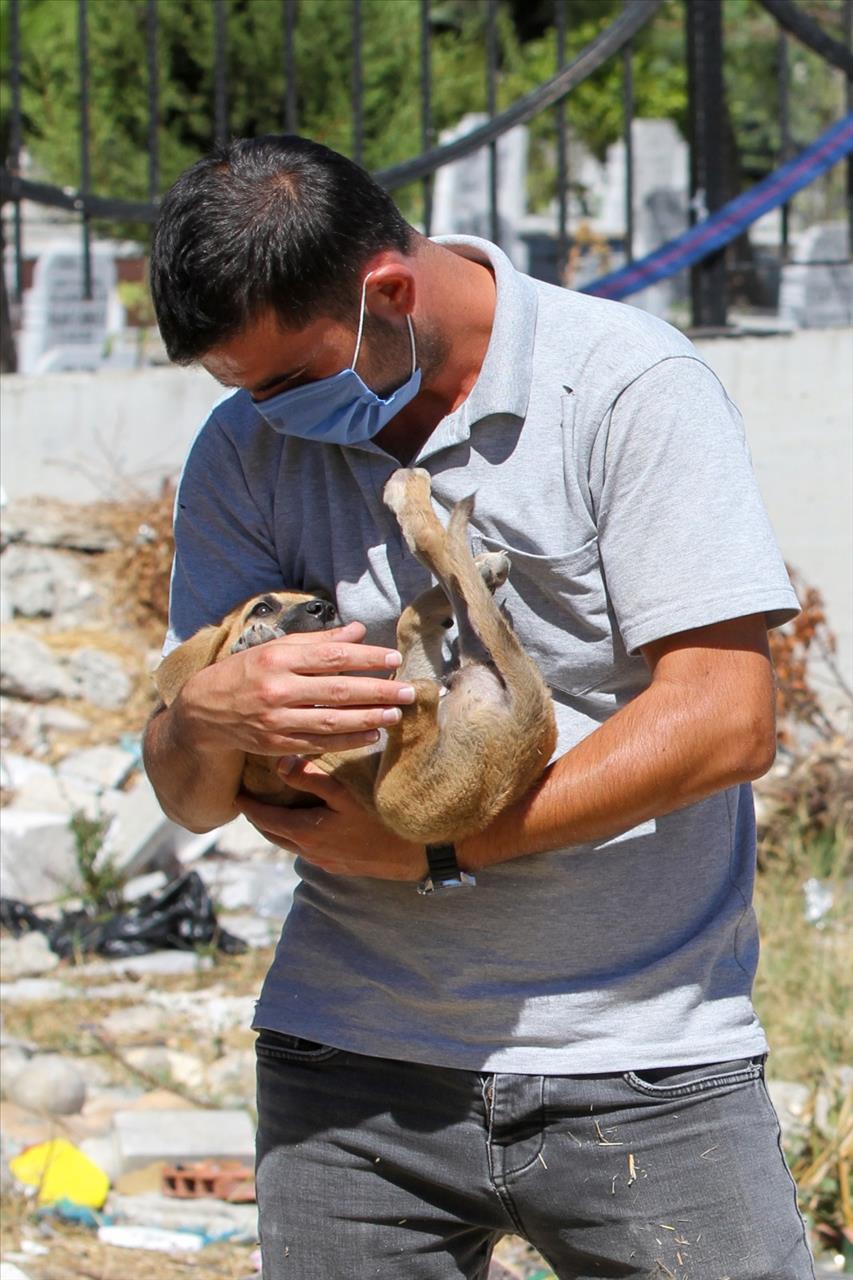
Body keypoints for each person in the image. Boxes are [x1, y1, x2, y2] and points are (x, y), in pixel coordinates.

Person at [144, 134, 812, 1280]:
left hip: (644, 1062)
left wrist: (441, 848)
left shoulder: (620, 387)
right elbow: (189, 798)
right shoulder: (246, 449)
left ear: (386, 296)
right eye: (236, 390)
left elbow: (725, 715)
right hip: (350, 1069)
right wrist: (210, 717)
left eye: (284, 382)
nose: (262, 414)